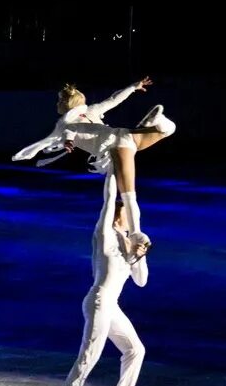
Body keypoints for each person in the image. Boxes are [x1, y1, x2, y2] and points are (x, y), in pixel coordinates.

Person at [13, 77, 175, 261]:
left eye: (59, 101)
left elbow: (69, 132)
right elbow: (114, 99)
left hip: (117, 146)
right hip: (125, 136)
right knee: (168, 129)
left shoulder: (65, 124)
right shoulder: (91, 110)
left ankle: (136, 233)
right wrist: (133, 87)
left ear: (67, 105)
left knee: (128, 194)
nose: (57, 104)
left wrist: (68, 142)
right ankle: (155, 122)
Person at [54, 172, 151, 386]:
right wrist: (113, 171)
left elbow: (142, 281)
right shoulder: (106, 234)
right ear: (120, 215)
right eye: (126, 213)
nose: (131, 218)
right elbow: (109, 200)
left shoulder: (129, 246)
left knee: (135, 349)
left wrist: (139, 255)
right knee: (89, 355)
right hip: (98, 299)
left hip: (112, 306)